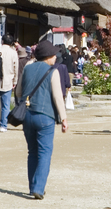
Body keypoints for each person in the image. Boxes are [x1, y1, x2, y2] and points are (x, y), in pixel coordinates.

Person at [15, 38, 68, 200]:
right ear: (48, 56)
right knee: (44, 152)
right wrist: (64, 118)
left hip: (27, 115)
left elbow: (18, 92)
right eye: (54, 55)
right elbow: (58, 97)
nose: (55, 57)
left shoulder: (27, 68)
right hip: (45, 116)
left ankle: (32, 187)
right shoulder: (53, 71)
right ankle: (38, 188)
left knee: (32, 152)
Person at [0, 34, 19, 133]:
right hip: (8, 81)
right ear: (11, 43)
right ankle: (3, 125)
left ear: (2, 41)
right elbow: (16, 68)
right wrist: (15, 81)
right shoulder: (13, 53)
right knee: (5, 105)